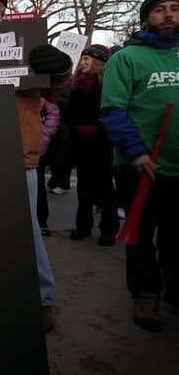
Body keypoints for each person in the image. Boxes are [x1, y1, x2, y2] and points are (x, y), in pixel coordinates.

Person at [0, 0, 72, 332]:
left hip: (17, 154)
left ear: (2, 8)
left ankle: (41, 299)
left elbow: (55, 84)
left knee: (25, 231)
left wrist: (59, 68)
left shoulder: (27, 45)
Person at [101, 0, 179, 332]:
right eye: (160, 9)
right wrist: (136, 151)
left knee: (176, 236)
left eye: (175, 9)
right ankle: (146, 293)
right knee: (141, 235)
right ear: (147, 16)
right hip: (141, 166)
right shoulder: (126, 58)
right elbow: (113, 110)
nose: (168, 15)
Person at [68, 45, 119, 245]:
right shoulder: (76, 86)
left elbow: (112, 111)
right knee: (84, 188)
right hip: (82, 146)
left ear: (98, 63)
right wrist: (75, 129)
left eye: (87, 59)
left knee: (105, 190)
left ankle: (109, 231)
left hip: (102, 146)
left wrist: (97, 129)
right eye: (82, 59)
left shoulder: (107, 85)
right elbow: (70, 113)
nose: (83, 62)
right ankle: (83, 227)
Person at [37, 94, 60, 237]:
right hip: (33, 145)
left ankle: (41, 221)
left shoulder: (43, 97)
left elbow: (53, 114)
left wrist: (44, 138)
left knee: (38, 185)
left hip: (36, 147)